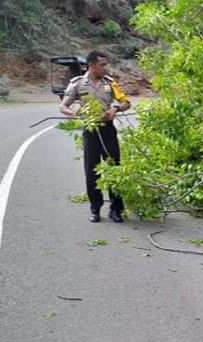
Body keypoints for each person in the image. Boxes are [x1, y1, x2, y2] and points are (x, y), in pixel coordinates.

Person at [59, 50, 131, 223]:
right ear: (91, 66)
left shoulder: (110, 83)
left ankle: (116, 210)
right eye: (102, 65)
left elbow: (126, 102)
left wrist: (115, 109)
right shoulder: (77, 84)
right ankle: (95, 209)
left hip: (108, 130)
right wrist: (76, 112)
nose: (106, 68)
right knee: (92, 171)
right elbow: (63, 106)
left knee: (114, 168)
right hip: (91, 131)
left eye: (106, 64)